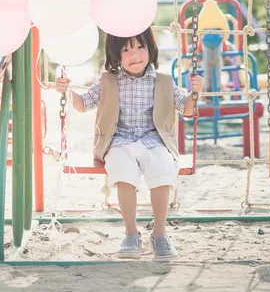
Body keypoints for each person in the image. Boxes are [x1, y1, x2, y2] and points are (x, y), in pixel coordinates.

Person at [54, 27, 204, 260]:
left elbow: (186, 108)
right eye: (126, 50)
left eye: (140, 47)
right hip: (119, 139)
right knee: (122, 171)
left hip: (154, 139)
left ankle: (160, 234)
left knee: (163, 168)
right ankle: (131, 234)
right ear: (116, 56)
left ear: (150, 50)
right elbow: (83, 104)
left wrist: (195, 92)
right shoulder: (108, 81)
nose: (134, 55)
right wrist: (67, 91)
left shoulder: (163, 81)